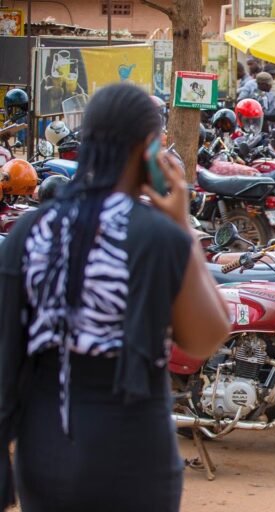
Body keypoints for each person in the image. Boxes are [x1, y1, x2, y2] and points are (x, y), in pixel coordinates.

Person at [0, 83, 230, 511]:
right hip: (133, 455)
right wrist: (181, 225)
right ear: (148, 151)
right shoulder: (156, 236)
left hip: (46, 452)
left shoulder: (28, 233)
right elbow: (206, 337)